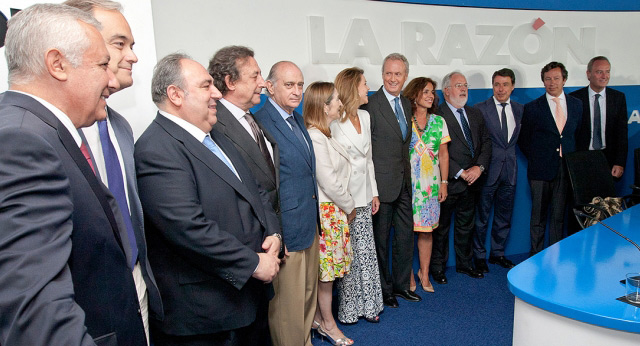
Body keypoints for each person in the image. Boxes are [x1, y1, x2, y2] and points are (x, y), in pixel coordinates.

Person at [0, 4, 149, 344]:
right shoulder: (21, 141)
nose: (112, 79)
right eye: (101, 65)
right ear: (58, 64)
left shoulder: (37, 128)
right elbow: (34, 314)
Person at [135, 53, 282, 345]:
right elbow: (188, 228)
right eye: (206, 86)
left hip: (248, 299)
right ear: (175, 94)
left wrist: (274, 233)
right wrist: (253, 263)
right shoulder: (156, 149)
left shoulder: (216, 135)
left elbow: (257, 191)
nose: (216, 93)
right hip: (207, 314)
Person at [64, 1, 162, 341]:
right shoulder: (48, 133)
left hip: (136, 288)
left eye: (132, 45)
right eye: (120, 44)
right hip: (83, 310)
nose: (133, 56)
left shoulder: (120, 127)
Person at [254, 61, 319, 346]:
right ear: (270, 87)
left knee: (306, 297)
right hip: (287, 229)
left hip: (308, 222)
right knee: (286, 308)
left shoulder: (298, 119)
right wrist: (277, 231)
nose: (297, 91)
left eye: (300, 85)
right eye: (289, 85)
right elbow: (264, 185)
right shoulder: (262, 122)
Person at [364, 53, 421, 308]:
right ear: (382, 74)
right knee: (381, 243)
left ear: (405, 76)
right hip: (381, 188)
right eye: (388, 73)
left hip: (404, 185)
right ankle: (384, 291)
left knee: (405, 239)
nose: (392, 78)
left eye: (398, 74)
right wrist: (373, 189)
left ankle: (400, 286)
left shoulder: (407, 104)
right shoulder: (370, 105)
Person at [305, 82, 356, 346]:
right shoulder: (315, 136)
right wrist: (350, 205)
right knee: (326, 276)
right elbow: (328, 181)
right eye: (336, 100)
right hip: (328, 212)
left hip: (333, 212)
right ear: (324, 106)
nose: (340, 103)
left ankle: (317, 319)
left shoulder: (326, 134)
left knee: (328, 274)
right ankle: (327, 324)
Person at [209, 46, 281, 229]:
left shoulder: (252, 119)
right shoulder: (214, 126)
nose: (263, 83)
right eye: (255, 76)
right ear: (230, 82)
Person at [332, 67, 384, 323]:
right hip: (343, 199)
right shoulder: (332, 119)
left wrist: (374, 192)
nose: (368, 89)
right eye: (365, 84)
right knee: (350, 255)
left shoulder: (365, 116)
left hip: (364, 195)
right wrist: (345, 200)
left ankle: (370, 305)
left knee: (366, 251)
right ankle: (350, 310)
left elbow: (369, 159)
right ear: (353, 88)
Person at [431, 72, 491, 284]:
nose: (464, 89)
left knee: (467, 226)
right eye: (458, 85)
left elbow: (486, 143)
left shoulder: (474, 114)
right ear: (446, 90)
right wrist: (460, 172)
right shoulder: (436, 116)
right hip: (449, 183)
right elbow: (437, 151)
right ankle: (437, 269)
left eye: (465, 85)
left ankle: (465, 265)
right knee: (441, 229)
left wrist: (479, 168)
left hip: (473, 182)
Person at [518, 61, 582, 256]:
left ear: (564, 80)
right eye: (547, 79)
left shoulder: (576, 104)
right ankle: (535, 255)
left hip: (566, 168)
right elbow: (524, 140)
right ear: (543, 81)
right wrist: (539, 158)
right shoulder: (532, 107)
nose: (552, 83)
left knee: (558, 216)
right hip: (540, 170)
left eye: (556, 78)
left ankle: (555, 256)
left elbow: (578, 136)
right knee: (538, 216)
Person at [472, 68, 523, 272]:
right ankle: (479, 256)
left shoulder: (520, 109)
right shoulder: (480, 109)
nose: (500, 89)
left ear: (512, 87)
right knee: (481, 217)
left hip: (510, 171)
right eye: (496, 84)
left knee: (504, 216)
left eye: (505, 85)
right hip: (487, 172)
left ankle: (498, 253)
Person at [403, 77, 450, 292]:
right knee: (406, 233)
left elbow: (443, 155)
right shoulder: (404, 119)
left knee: (427, 231)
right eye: (426, 92)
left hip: (430, 186)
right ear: (414, 95)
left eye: (432, 92)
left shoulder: (439, 122)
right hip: (408, 185)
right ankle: (409, 276)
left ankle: (424, 273)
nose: (431, 95)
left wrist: (444, 183)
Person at [570, 56, 628, 178]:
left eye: (607, 71)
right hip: (580, 159)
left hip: (608, 160)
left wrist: (620, 162)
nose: (604, 76)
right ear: (588, 74)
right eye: (599, 72)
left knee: (607, 197)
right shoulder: (574, 99)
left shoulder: (618, 98)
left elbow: (622, 135)